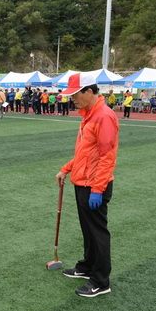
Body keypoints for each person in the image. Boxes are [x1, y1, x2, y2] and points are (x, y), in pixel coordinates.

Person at [55, 73, 119, 298]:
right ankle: (87, 266)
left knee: (97, 232)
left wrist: (98, 189)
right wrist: (67, 167)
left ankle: (101, 281)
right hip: (82, 182)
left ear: (89, 92)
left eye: (75, 94)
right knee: (88, 230)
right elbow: (85, 153)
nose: (72, 99)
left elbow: (107, 156)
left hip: (94, 185)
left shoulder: (104, 116)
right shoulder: (89, 115)